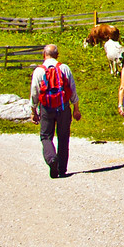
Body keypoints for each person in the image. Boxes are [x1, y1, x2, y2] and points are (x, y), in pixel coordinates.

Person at [30, 44, 81, 179]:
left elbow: (34, 92)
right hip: (63, 107)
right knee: (63, 137)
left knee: (46, 136)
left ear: (44, 54)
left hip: (47, 108)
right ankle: (62, 169)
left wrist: (34, 111)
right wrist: (76, 109)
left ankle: (52, 159)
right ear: (57, 55)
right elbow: (72, 89)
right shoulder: (64, 68)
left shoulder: (39, 71)